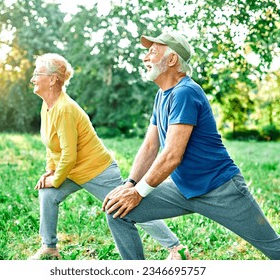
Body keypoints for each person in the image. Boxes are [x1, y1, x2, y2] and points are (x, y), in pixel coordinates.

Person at [102, 32, 280, 260]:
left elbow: (172, 156)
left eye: (152, 52)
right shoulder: (162, 95)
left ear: (172, 60)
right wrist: (130, 184)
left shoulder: (185, 92)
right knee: (118, 211)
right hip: (182, 188)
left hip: (221, 189)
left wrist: (139, 193)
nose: (145, 57)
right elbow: (150, 146)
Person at [28, 53, 189, 260]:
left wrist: (56, 179)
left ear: (52, 80)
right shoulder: (47, 105)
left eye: (37, 73)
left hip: (97, 171)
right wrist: (50, 172)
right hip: (73, 170)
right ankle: (49, 247)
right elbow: (52, 146)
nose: (33, 78)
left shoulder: (65, 109)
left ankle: (177, 249)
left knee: (125, 208)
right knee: (47, 194)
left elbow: (69, 155)